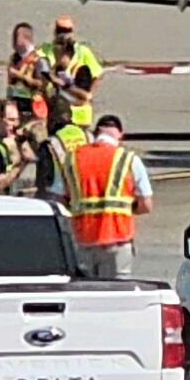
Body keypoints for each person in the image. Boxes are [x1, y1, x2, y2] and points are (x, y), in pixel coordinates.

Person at [49, 114, 153, 279]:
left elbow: (57, 199)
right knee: (116, 295)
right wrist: (128, 208)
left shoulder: (71, 159)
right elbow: (146, 204)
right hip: (117, 239)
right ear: (120, 135)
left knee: (85, 295)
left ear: (95, 134)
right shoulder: (128, 159)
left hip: (82, 240)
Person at [40, 15, 102, 128]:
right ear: (55, 32)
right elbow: (38, 65)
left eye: (67, 31)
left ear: (72, 32)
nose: (63, 35)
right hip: (56, 112)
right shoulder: (46, 49)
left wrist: (89, 94)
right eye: (60, 31)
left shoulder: (82, 52)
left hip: (80, 114)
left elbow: (97, 73)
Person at [32, 95, 91, 202]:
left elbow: (43, 185)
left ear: (50, 119)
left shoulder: (49, 145)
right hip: (88, 201)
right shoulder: (89, 137)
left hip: (60, 204)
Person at [4, 22, 43, 110]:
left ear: (26, 38)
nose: (12, 41)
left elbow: (42, 84)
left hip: (32, 105)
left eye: (16, 37)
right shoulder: (14, 57)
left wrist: (21, 76)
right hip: (15, 103)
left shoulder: (38, 58)